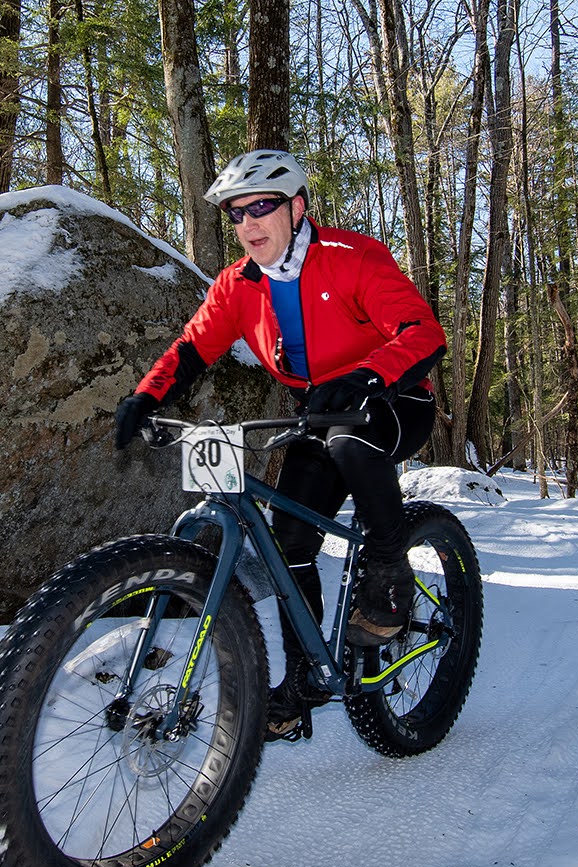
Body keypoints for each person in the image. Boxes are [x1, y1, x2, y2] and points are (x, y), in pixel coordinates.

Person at [114, 149, 447, 740]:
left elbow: (423, 332)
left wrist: (368, 374)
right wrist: (146, 396)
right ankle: (304, 680)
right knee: (288, 542)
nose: (248, 225)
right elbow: (192, 349)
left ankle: (390, 567)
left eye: (261, 208)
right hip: (317, 418)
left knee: (349, 439)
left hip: (395, 400)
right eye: (237, 215)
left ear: (296, 207)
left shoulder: (352, 257)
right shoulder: (238, 284)